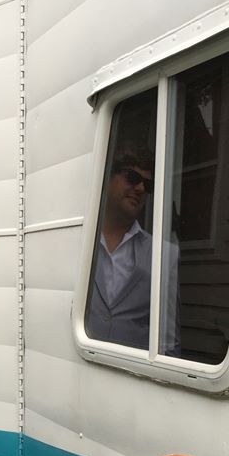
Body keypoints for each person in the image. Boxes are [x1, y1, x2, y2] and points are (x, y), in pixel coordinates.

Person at [86, 147, 180, 354]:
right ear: (108, 179)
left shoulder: (164, 255)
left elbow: (168, 343)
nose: (140, 188)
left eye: (148, 185)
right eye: (132, 177)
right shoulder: (80, 241)